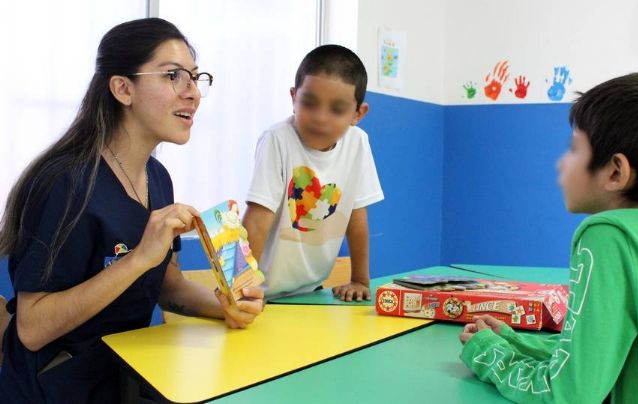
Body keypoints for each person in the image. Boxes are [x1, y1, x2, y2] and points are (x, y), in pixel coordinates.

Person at [0, 18, 264, 402]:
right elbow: (32, 328)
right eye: (173, 75)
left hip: (124, 379)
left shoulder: (158, 178)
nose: (192, 93)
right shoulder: (65, 183)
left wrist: (225, 306)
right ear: (123, 88)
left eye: (195, 77)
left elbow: (168, 286)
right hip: (56, 388)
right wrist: (138, 258)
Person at [459, 71, 638, 403]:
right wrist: (516, 341)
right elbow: (601, 349)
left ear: (615, 171)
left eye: (573, 149)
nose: (560, 164)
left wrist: (489, 355)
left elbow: (570, 394)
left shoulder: (608, 235)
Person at [242, 44, 384, 301]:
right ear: (294, 98)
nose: (320, 118)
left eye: (337, 109)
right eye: (309, 103)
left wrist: (360, 280)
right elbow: (256, 219)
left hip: (309, 293)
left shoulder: (358, 143)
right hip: (260, 295)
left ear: (358, 114)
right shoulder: (278, 139)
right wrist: (240, 290)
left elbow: (357, 216)